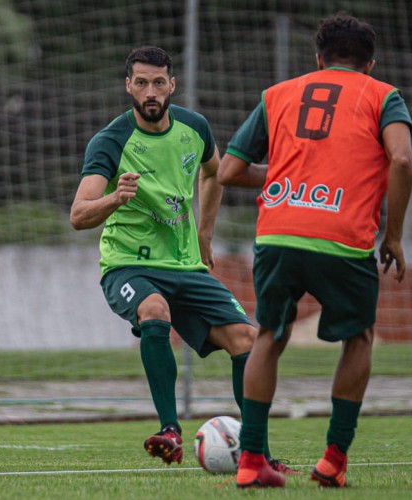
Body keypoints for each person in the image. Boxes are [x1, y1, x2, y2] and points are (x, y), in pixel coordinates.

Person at [69, 46, 292, 473]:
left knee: (247, 339)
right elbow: (79, 214)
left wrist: (205, 233)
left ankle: (255, 453)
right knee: (155, 310)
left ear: (172, 85)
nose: (150, 91)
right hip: (128, 265)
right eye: (141, 83)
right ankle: (169, 430)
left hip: (186, 265)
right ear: (128, 86)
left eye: (158, 82)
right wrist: (116, 197)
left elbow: (214, 172)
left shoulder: (195, 127)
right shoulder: (111, 141)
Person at [218, 14, 412, 488]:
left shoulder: (277, 94)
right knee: (360, 338)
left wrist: (292, 179)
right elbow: (402, 160)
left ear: (317, 57)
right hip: (342, 238)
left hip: (278, 232)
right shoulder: (382, 95)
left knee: (269, 336)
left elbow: (227, 171)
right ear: (370, 63)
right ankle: (332, 460)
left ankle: (250, 463)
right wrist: (394, 236)